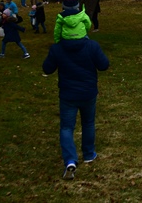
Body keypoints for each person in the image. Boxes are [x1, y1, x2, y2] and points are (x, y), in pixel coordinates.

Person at [42, 30, 110, 180]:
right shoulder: (92, 46)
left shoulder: (57, 48)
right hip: (88, 93)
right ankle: (88, 154)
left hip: (68, 95)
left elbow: (47, 68)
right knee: (88, 123)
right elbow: (104, 65)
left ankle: (70, 160)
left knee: (66, 127)